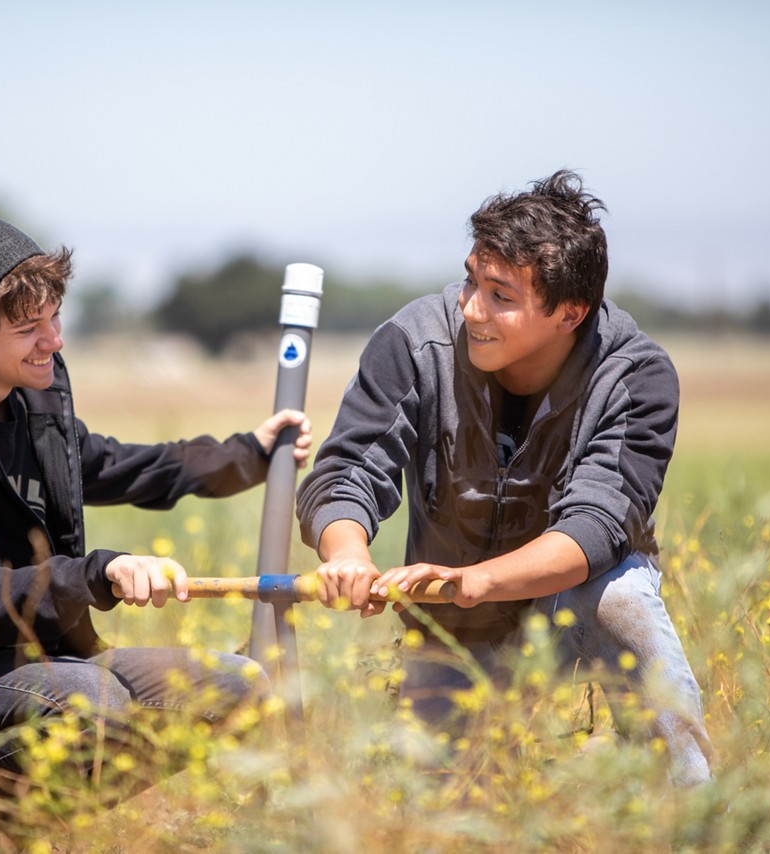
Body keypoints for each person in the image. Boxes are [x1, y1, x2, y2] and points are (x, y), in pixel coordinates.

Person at [0, 209, 312, 794]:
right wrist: (95, 575)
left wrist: (246, 454)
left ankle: (33, 830)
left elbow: (109, 463)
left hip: (29, 667)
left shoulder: (30, 401)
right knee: (91, 700)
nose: (55, 340)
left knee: (237, 685)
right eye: (28, 329)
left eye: (54, 317)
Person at [296, 170, 712, 786]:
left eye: (501, 296)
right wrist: (348, 552)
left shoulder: (636, 376)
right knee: (444, 810)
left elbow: (597, 526)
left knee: (620, 594)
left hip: (564, 610)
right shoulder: (414, 342)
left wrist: (476, 579)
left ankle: (696, 812)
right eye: (471, 280)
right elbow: (348, 469)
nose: (472, 309)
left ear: (570, 312)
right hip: (450, 626)